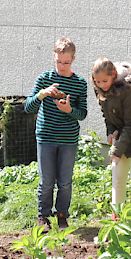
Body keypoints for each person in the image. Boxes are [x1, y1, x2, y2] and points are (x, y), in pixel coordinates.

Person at [24, 38, 88, 231]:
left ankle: (62, 215)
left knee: (65, 181)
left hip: (68, 139)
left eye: (66, 62)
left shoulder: (79, 83)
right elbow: (28, 107)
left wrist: (69, 110)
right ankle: (43, 216)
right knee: (46, 181)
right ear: (54, 57)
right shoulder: (44, 79)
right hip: (46, 137)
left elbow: (82, 114)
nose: (62, 66)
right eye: (59, 62)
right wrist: (42, 94)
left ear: (73, 59)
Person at [91, 58, 131, 238]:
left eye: (105, 81)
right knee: (117, 179)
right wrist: (111, 132)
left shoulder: (128, 91)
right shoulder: (100, 90)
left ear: (114, 75)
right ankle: (116, 223)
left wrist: (118, 151)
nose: (101, 85)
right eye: (98, 81)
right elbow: (107, 118)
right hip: (123, 137)